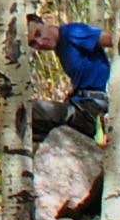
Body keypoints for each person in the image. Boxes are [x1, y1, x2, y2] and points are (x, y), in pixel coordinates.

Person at [27, 11, 107, 141]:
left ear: (45, 23)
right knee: (33, 134)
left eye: (38, 33)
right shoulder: (60, 48)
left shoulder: (72, 33)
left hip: (93, 109)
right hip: (80, 105)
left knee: (29, 110)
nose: (40, 42)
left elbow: (118, 41)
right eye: (33, 43)